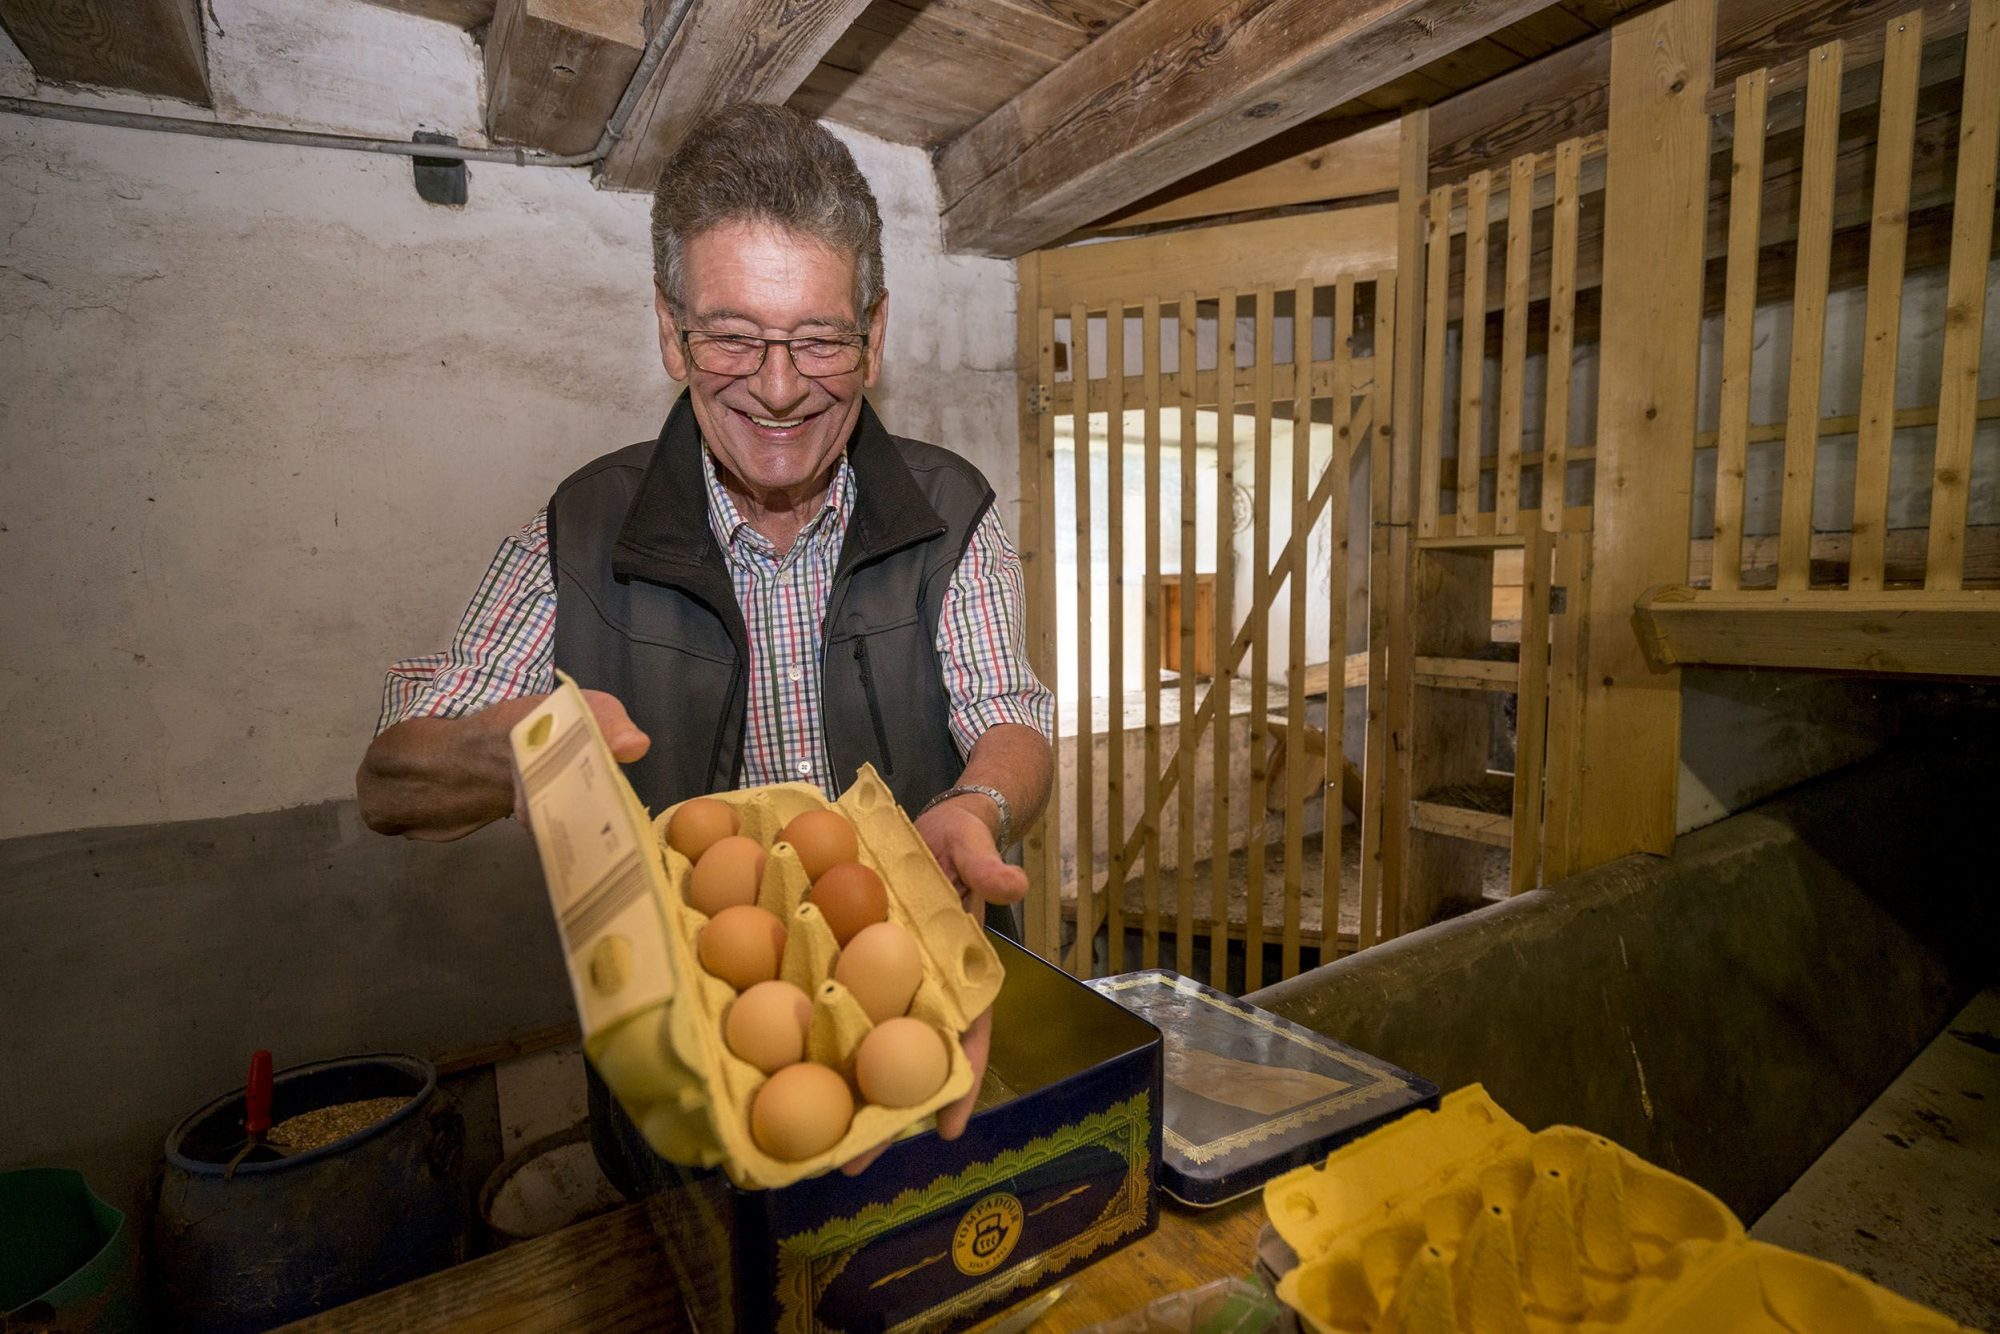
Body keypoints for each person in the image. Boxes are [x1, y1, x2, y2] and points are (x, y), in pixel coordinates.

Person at [355, 103, 1054, 1189]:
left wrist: (977, 805)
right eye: (731, 334)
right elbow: (389, 776)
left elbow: (1007, 711)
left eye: (819, 337)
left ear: (873, 337)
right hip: (683, 1079)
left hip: (916, 1049)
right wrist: (515, 749)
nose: (778, 388)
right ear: (669, 332)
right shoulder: (580, 530)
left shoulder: (949, 510)